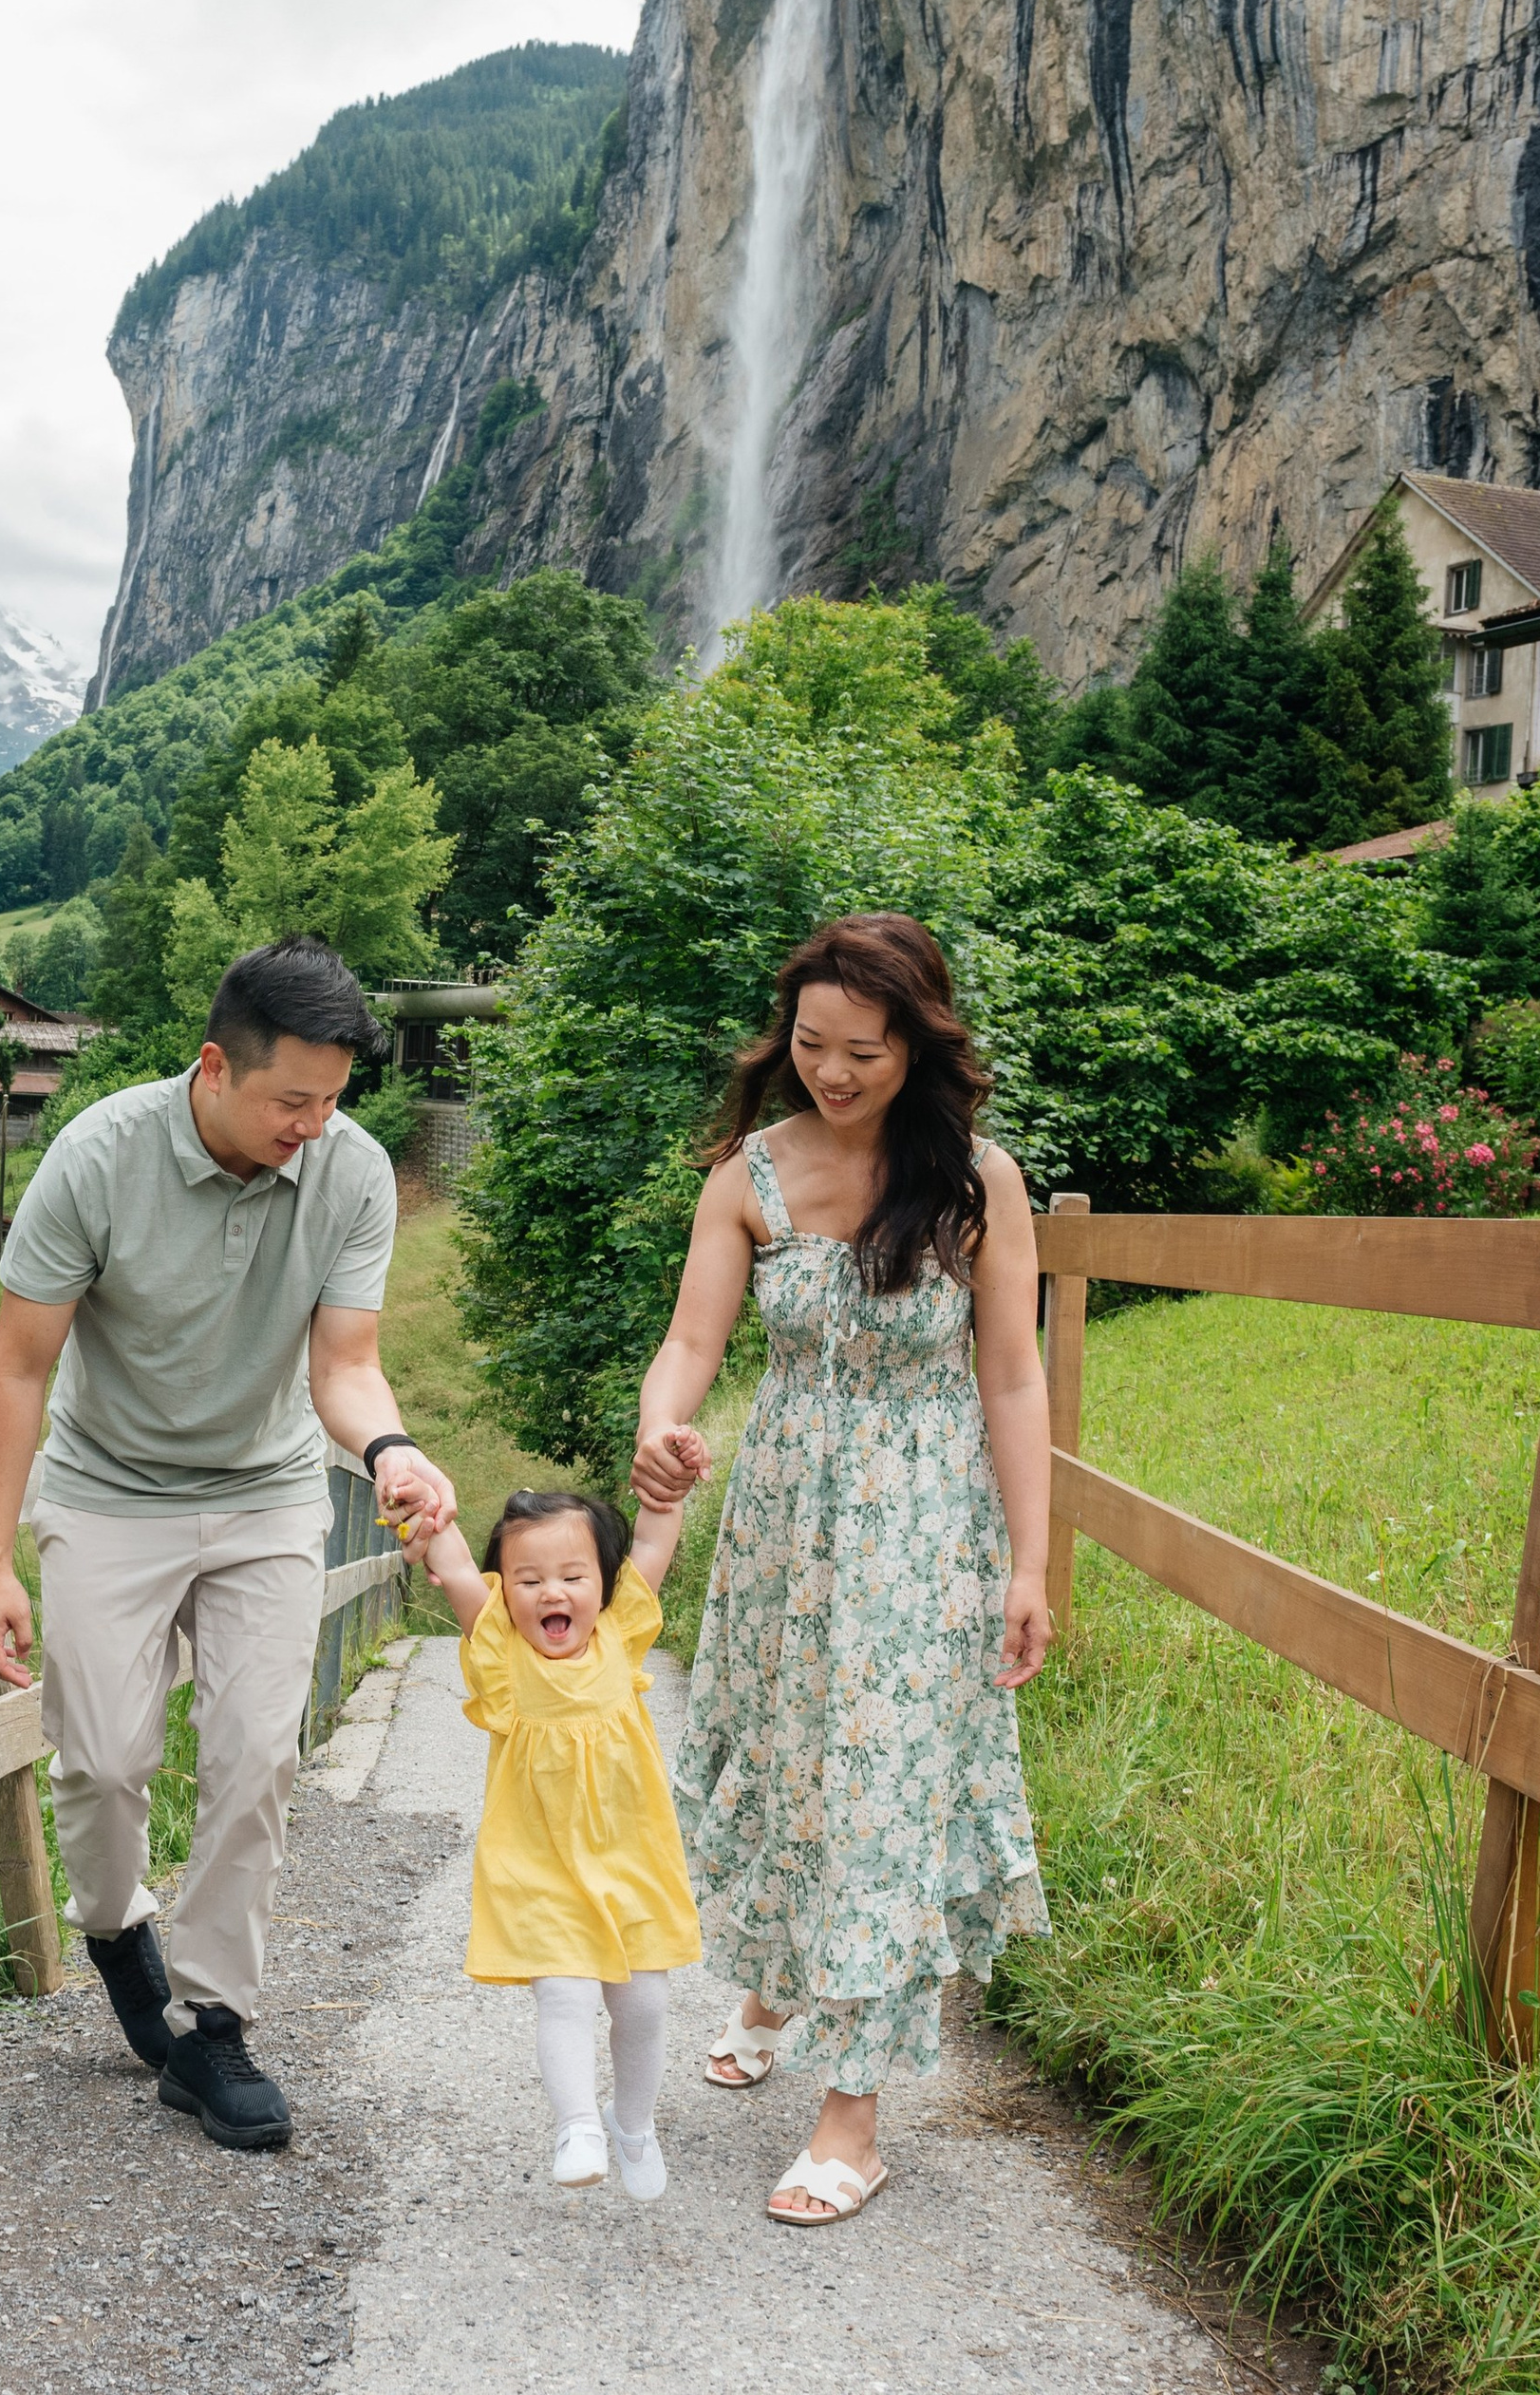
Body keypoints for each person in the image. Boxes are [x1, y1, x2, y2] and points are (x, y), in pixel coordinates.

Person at [0, 937, 458, 2152]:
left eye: (333, 1100)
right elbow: (18, 1368)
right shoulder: (96, 1156)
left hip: (267, 1491)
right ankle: (113, 1925)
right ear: (214, 1068)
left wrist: (389, 1450)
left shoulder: (348, 1170)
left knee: (254, 1754)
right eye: (292, 1099)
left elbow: (343, 1366)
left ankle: (216, 2026)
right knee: (101, 1756)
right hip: (108, 1491)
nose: (314, 1123)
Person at [631, 913, 1052, 2227]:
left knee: (884, 1794)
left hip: (924, 1533)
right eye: (811, 1044)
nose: (832, 1071)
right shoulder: (746, 1176)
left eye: (862, 1051)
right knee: (792, 1760)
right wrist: (663, 1431)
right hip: (782, 1527)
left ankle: (852, 2116)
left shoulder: (979, 1182)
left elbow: (1013, 1377)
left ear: (918, 1045)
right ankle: (771, 1987)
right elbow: (691, 1344)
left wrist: (1031, 1564)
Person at [403, 1487, 702, 2198]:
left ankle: (633, 2124)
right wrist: (423, 1511)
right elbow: (455, 1570)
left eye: (572, 1576)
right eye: (529, 1580)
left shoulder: (621, 1633)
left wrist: (671, 1482)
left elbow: (654, 1544)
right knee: (564, 1995)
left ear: (604, 1584)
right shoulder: (503, 1651)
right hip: (539, 1868)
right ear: (507, 1592)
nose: (551, 1593)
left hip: (634, 1861)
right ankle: (577, 2125)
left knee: (644, 2004)